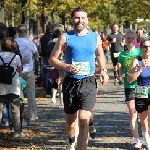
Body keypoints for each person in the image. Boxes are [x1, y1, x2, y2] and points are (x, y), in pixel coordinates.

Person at [49, 7, 109, 150]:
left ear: (87, 19)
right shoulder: (65, 37)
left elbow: (100, 55)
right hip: (70, 82)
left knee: (83, 120)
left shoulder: (95, 37)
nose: (80, 21)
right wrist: (66, 66)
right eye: (77, 18)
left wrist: (104, 71)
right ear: (72, 19)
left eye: (83, 18)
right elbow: (52, 59)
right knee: (70, 123)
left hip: (88, 81)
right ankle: (71, 139)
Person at [117, 30, 142, 148]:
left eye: (133, 38)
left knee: (143, 113)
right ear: (125, 40)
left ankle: (146, 133)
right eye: (128, 38)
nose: (130, 40)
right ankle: (136, 139)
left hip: (141, 84)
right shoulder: (122, 55)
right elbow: (121, 68)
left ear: (136, 40)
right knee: (132, 112)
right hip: (128, 86)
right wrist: (120, 74)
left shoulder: (140, 52)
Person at [0, 37, 26, 138]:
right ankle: (17, 131)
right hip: (14, 84)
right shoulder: (16, 57)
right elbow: (20, 71)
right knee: (15, 107)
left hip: (1, 84)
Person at [128, 36, 150, 150]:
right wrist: (141, 68)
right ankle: (147, 142)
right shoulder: (137, 60)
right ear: (141, 48)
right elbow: (130, 79)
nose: (148, 49)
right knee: (144, 123)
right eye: (145, 47)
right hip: (141, 92)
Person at [15, 24, 39, 121]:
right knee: (30, 94)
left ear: (18, 32)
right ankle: (32, 115)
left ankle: (17, 117)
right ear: (26, 32)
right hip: (28, 71)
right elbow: (37, 55)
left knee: (17, 94)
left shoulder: (14, 42)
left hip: (16, 71)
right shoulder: (30, 43)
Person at [40, 23, 54, 97]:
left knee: (45, 72)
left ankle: (46, 89)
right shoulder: (51, 37)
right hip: (50, 56)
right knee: (51, 73)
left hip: (44, 55)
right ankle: (50, 89)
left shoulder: (43, 37)